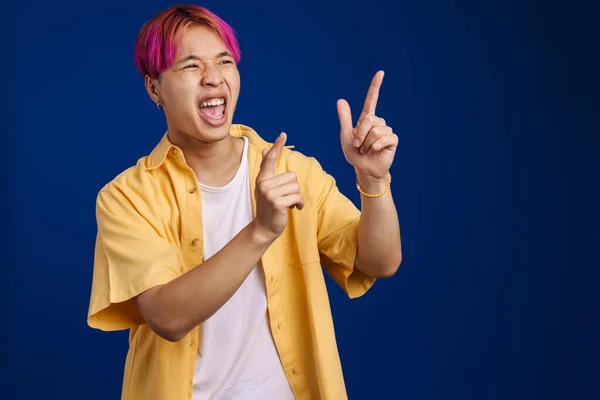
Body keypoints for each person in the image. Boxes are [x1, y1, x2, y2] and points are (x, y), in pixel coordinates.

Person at [87, 4, 402, 400]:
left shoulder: (294, 170)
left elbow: (379, 262)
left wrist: (374, 179)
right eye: (190, 66)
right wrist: (261, 230)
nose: (214, 78)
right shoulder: (127, 197)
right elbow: (167, 317)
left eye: (224, 61)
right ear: (154, 88)